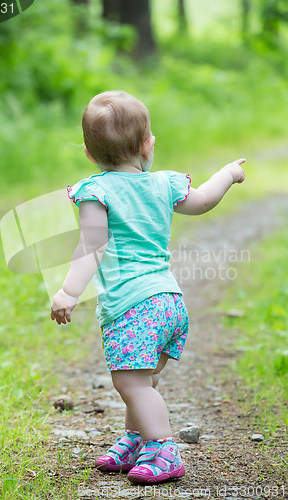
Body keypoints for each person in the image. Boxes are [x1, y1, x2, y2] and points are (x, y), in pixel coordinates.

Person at [51, 90, 246, 484]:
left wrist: (69, 292)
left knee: (130, 382)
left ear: (89, 154)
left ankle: (163, 447)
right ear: (147, 144)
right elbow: (204, 200)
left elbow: (91, 245)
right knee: (143, 379)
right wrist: (227, 174)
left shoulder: (96, 191)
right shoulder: (165, 184)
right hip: (168, 303)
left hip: (133, 307)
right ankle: (137, 440)